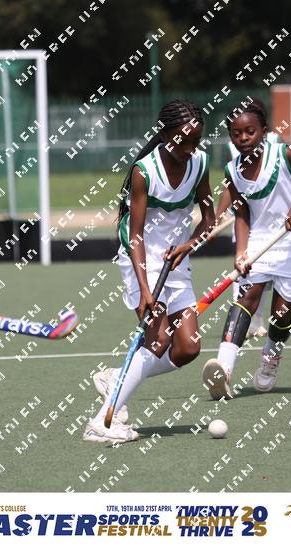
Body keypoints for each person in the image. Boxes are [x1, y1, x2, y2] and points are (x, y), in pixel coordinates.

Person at [85, 99, 215, 443]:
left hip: (176, 262)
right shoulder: (144, 171)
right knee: (157, 341)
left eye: (196, 141)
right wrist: (144, 290)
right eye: (183, 141)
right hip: (140, 260)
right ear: (165, 134)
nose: (190, 149)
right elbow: (136, 234)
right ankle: (102, 423)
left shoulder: (199, 163)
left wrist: (190, 244)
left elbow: (210, 218)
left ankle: (116, 377)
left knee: (188, 348)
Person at [202, 103, 291, 400]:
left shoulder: (284, 154)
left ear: (264, 131)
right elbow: (242, 213)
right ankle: (224, 368)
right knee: (247, 297)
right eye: (237, 133)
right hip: (259, 242)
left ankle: (270, 360)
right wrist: (241, 252)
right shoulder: (233, 170)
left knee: (281, 314)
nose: (243, 138)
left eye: (250, 131)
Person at [216, 98, 281, 340]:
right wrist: (219, 213)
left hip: (271, 223)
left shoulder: (276, 143)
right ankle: (240, 321)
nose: (244, 136)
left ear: (263, 126)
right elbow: (230, 185)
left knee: (267, 277)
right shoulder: (235, 147)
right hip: (245, 220)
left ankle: (257, 319)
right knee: (243, 269)